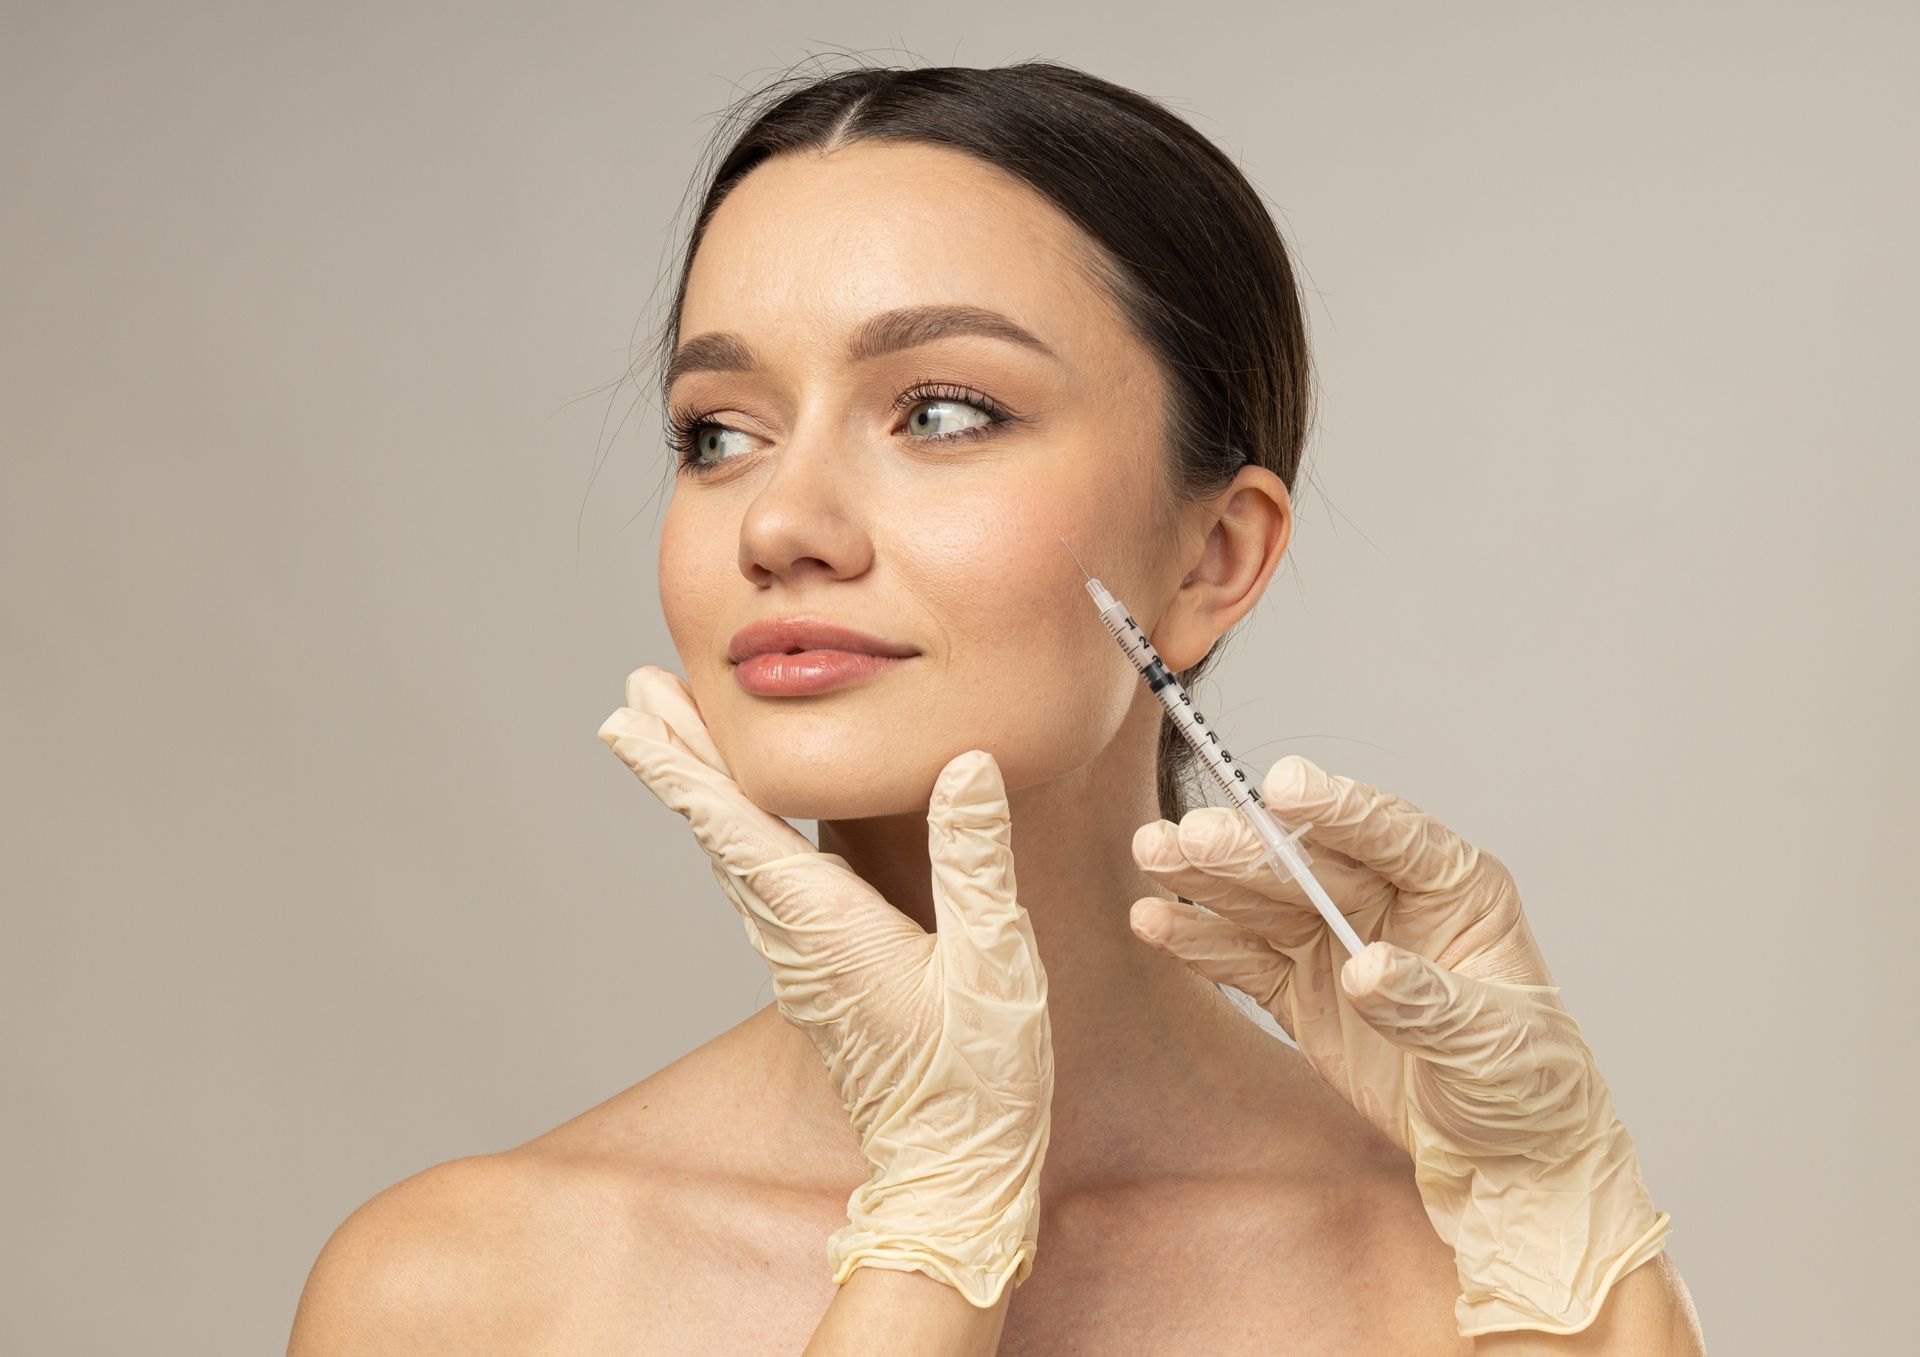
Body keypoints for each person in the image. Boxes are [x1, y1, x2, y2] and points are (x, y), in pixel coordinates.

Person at [288, 60, 1708, 1355]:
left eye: (944, 413)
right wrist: (929, 1243)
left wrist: (1580, 1276)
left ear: (1214, 556)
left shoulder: (1477, 1275)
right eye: (718, 432)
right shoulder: (461, 1292)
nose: (782, 519)